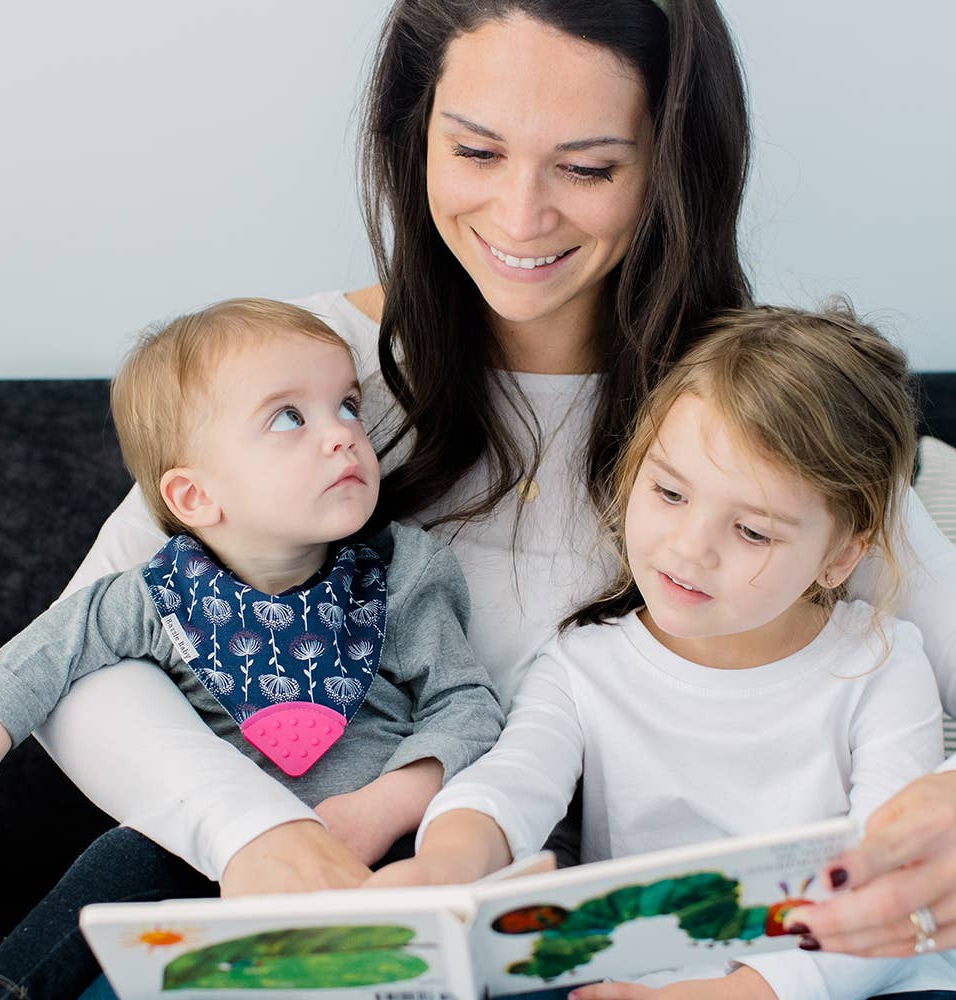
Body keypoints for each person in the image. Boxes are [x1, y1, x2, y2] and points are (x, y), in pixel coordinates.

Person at [0, 0, 956, 987]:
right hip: (301, 902)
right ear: (415, 135)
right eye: (476, 153)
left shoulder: (749, 408)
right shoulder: (301, 374)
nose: (520, 218)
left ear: (669, 167)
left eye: (587, 167)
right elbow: (85, 648)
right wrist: (253, 831)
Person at [369, 304, 956, 999]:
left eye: (752, 531)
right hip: (633, 976)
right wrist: (447, 863)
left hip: (846, 973)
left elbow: (886, 879)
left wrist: (741, 992)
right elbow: (514, 781)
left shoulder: (882, 662)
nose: (688, 547)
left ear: (840, 556)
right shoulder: (583, 665)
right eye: (670, 492)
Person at [0, 298, 503, 1000]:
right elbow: (17, 677)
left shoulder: (402, 574)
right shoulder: (150, 596)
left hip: (376, 843)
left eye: (347, 406)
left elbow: (468, 706)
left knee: (441, 877)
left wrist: (387, 806)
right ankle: (0, 991)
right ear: (195, 495)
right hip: (212, 857)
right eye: (288, 418)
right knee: (127, 853)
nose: (342, 436)